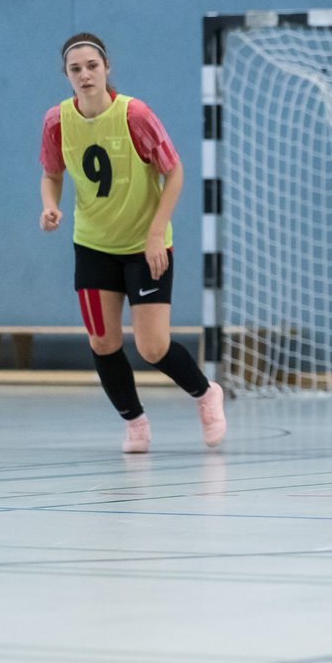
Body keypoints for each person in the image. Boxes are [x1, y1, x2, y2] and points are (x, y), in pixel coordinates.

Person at [39, 32, 227, 454]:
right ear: (66, 76)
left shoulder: (134, 115)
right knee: (103, 342)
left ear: (107, 69)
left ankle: (205, 393)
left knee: (152, 346)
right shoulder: (57, 121)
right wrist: (49, 205)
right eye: (75, 69)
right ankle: (135, 422)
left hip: (145, 245)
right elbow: (52, 173)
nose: (85, 74)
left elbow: (173, 172)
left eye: (92, 66)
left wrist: (157, 233)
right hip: (92, 245)